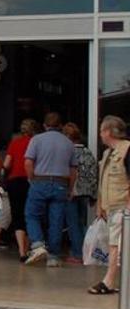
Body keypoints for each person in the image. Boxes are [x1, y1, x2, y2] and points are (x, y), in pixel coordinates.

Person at [24, 112, 78, 267]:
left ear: (44, 125)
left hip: (40, 181)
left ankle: (38, 245)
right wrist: (70, 188)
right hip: (61, 183)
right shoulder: (68, 143)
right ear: (60, 126)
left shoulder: (37, 140)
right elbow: (73, 169)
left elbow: (28, 162)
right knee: (57, 220)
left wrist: (31, 178)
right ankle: (53, 256)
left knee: (32, 214)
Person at [90, 116, 130, 295]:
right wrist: (100, 205)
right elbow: (103, 181)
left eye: (101, 130)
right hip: (111, 207)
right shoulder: (107, 154)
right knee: (115, 244)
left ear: (108, 131)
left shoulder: (127, 149)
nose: (99, 135)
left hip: (123, 206)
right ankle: (110, 280)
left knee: (116, 245)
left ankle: (109, 281)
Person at [1, 119, 37, 262]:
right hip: (31, 180)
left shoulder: (15, 143)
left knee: (17, 215)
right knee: (30, 214)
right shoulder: (35, 142)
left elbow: (6, 163)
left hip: (14, 181)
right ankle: (28, 248)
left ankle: (22, 251)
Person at [63, 122, 97, 265]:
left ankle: (78, 254)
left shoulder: (68, 152)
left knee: (73, 224)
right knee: (82, 222)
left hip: (73, 191)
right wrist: (93, 194)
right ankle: (86, 252)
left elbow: (71, 172)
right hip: (85, 192)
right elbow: (94, 172)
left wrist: (69, 190)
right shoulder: (88, 152)